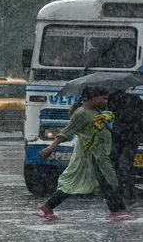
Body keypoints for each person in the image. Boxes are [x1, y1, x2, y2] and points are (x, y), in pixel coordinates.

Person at [35, 86, 134, 221]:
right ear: (92, 98)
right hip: (88, 154)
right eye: (103, 98)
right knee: (99, 180)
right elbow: (67, 132)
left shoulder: (97, 110)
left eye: (107, 99)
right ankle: (117, 211)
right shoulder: (81, 113)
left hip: (99, 153)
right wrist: (50, 148)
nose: (105, 102)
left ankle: (48, 206)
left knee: (97, 180)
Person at [108, 90, 143, 205]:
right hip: (127, 137)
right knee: (123, 166)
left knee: (119, 165)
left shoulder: (110, 100)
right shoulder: (135, 100)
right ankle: (125, 191)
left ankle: (122, 191)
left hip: (121, 137)